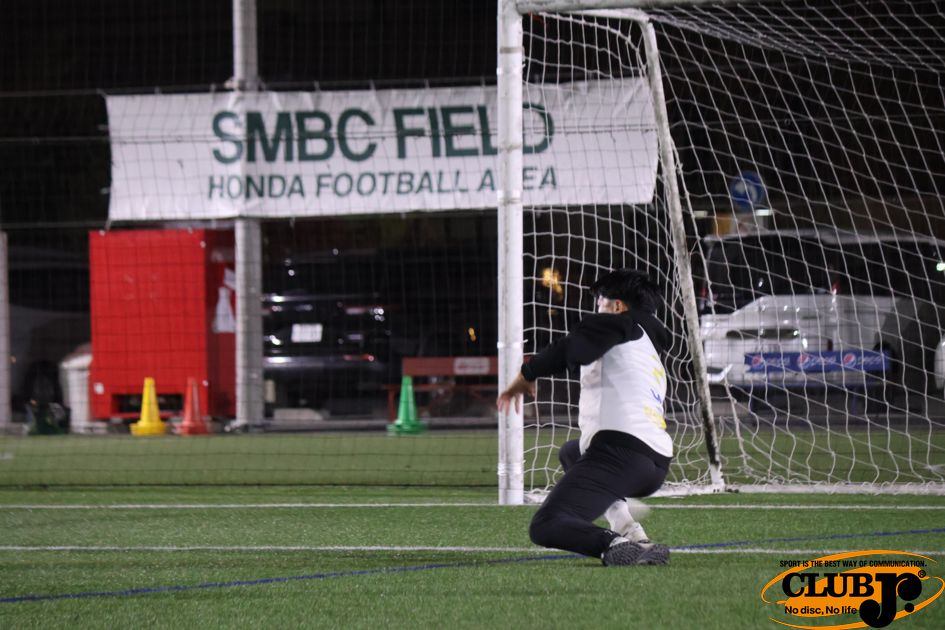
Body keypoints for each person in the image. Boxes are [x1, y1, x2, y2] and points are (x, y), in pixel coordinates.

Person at [496, 268, 673, 566]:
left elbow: (572, 348)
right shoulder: (648, 347)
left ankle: (613, 544)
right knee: (572, 452)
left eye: (600, 302)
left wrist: (528, 373)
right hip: (655, 463)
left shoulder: (619, 323)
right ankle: (630, 531)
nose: (596, 309)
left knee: (546, 525)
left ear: (617, 306)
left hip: (620, 454)